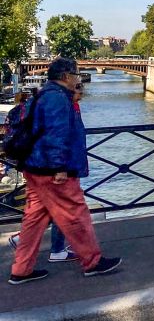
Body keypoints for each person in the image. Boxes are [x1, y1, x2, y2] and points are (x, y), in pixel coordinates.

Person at [8, 58, 121, 285]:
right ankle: (92, 262)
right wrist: (59, 167)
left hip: (36, 166)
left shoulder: (44, 94)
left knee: (34, 219)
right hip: (52, 170)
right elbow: (56, 135)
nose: (79, 79)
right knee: (76, 214)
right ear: (67, 76)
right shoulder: (58, 98)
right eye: (77, 75)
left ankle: (21, 269)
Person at [8, 83, 86, 263]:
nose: (81, 94)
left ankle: (25, 242)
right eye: (78, 90)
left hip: (54, 165)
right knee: (64, 210)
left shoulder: (70, 106)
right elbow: (57, 138)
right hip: (56, 168)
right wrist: (60, 168)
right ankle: (59, 250)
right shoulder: (62, 107)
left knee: (46, 210)